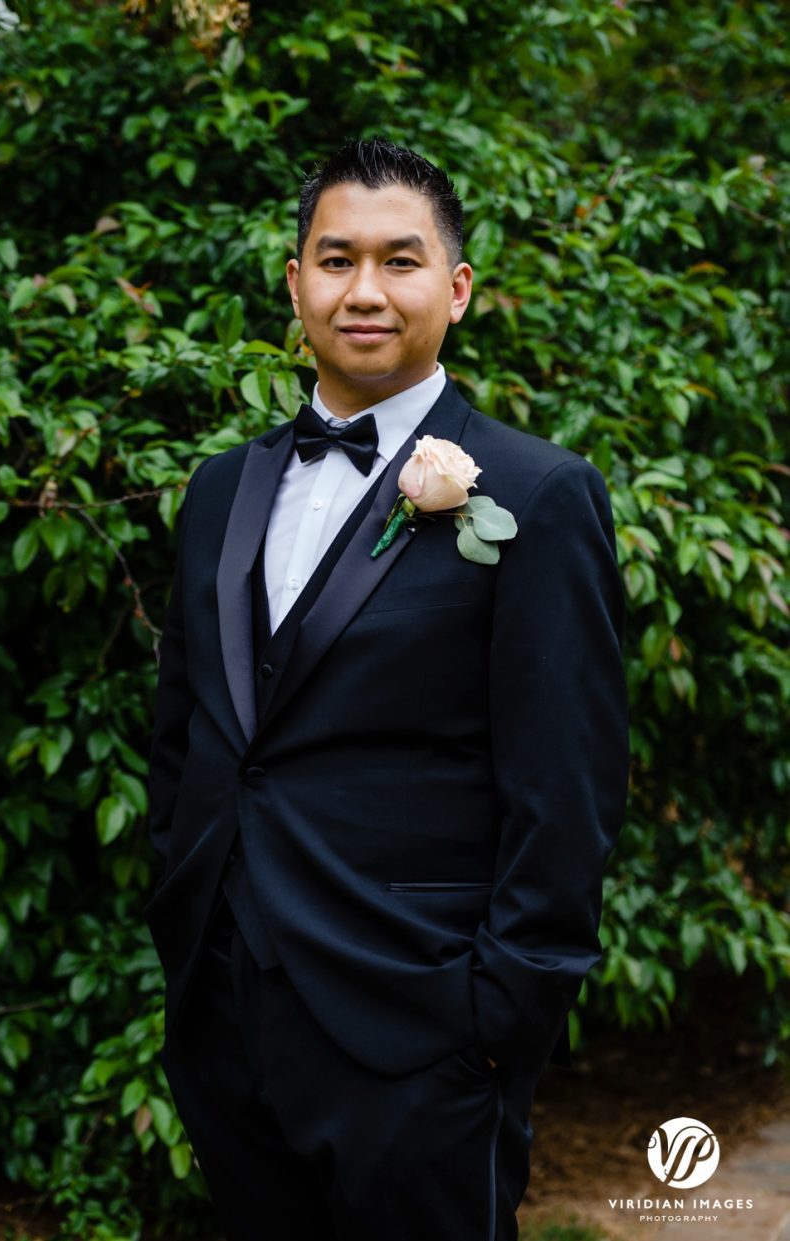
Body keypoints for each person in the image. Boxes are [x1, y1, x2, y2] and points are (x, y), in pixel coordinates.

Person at [145, 137, 629, 1239]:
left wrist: (500, 1015)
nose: (363, 290)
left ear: (454, 289)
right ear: (295, 283)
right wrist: (180, 911)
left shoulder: (538, 494)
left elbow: (569, 781)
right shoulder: (223, 488)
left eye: (398, 261)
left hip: (424, 1025)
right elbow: (188, 729)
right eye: (334, 258)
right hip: (226, 1008)